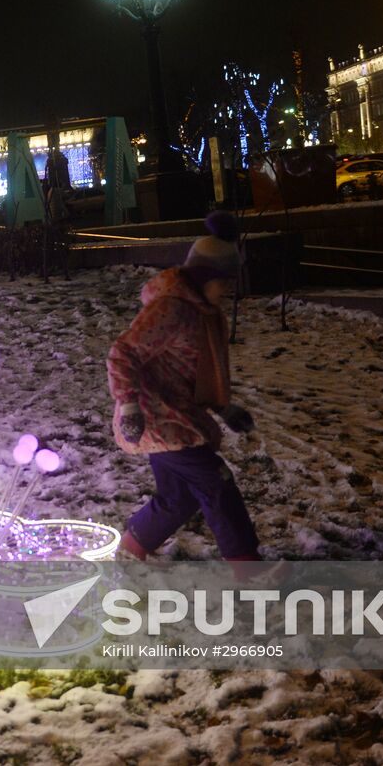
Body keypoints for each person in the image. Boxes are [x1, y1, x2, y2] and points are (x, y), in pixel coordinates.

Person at [107, 210, 265, 564]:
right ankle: (248, 570)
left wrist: (224, 408)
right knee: (217, 484)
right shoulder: (172, 310)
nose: (227, 291)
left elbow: (202, 371)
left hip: (178, 415)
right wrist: (129, 406)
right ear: (205, 277)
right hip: (158, 417)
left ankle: (133, 549)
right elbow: (123, 353)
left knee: (179, 497)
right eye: (224, 283)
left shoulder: (204, 312)